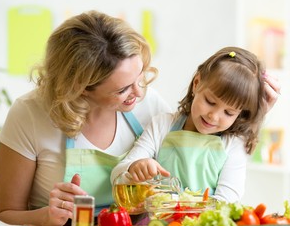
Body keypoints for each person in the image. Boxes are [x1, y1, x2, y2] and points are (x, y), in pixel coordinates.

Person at [0, 11, 281, 226]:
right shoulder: (30, 114)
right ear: (79, 87)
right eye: (122, 89)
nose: (139, 92)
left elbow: (208, 139)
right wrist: (44, 216)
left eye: (140, 76)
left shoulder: (150, 105)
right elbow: (2, 215)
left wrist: (255, 113)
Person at [111, 46, 269, 203]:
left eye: (229, 113)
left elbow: (226, 199)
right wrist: (134, 167)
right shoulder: (162, 125)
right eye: (210, 102)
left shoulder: (234, 143)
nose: (213, 117)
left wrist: (185, 209)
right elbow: (117, 175)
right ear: (197, 83)